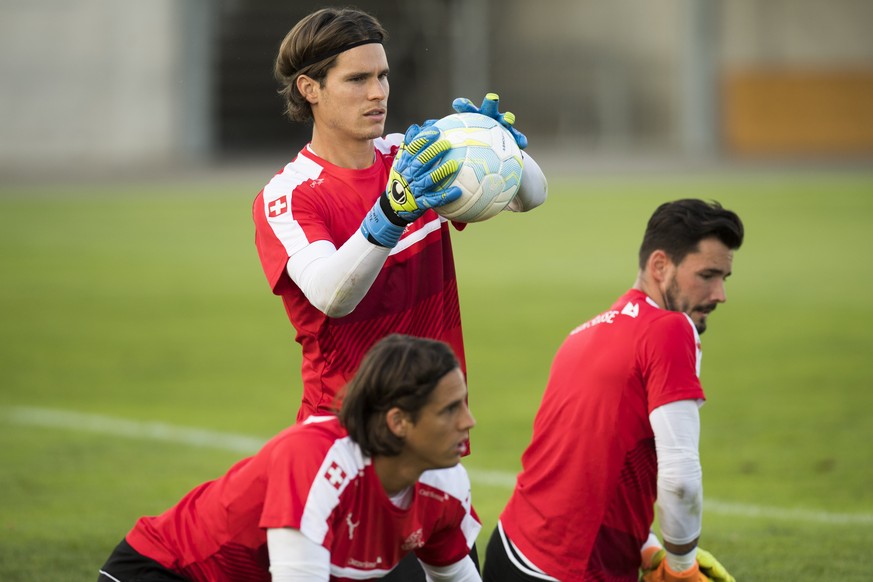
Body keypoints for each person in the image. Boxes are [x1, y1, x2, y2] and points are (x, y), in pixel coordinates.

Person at [252, 7, 548, 424]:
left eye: (382, 76)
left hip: (434, 423)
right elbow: (331, 296)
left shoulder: (410, 158)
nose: (378, 92)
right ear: (309, 89)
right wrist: (390, 212)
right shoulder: (289, 195)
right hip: (344, 427)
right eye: (357, 79)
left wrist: (500, 146)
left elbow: (531, 196)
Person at [482, 199, 744, 582]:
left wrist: (649, 547)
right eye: (707, 275)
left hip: (511, 549)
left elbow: (592, 467)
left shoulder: (583, 334)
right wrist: (682, 566)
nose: (720, 294)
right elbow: (681, 477)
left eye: (724, 278)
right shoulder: (671, 329)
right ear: (659, 266)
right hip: (569, 570)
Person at [98, 334, 481, 582]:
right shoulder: (313, 460)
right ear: (398, 421)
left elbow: (458, 578)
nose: (469, 421)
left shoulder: (445, 484)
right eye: (449, 410)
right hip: (164, 572)